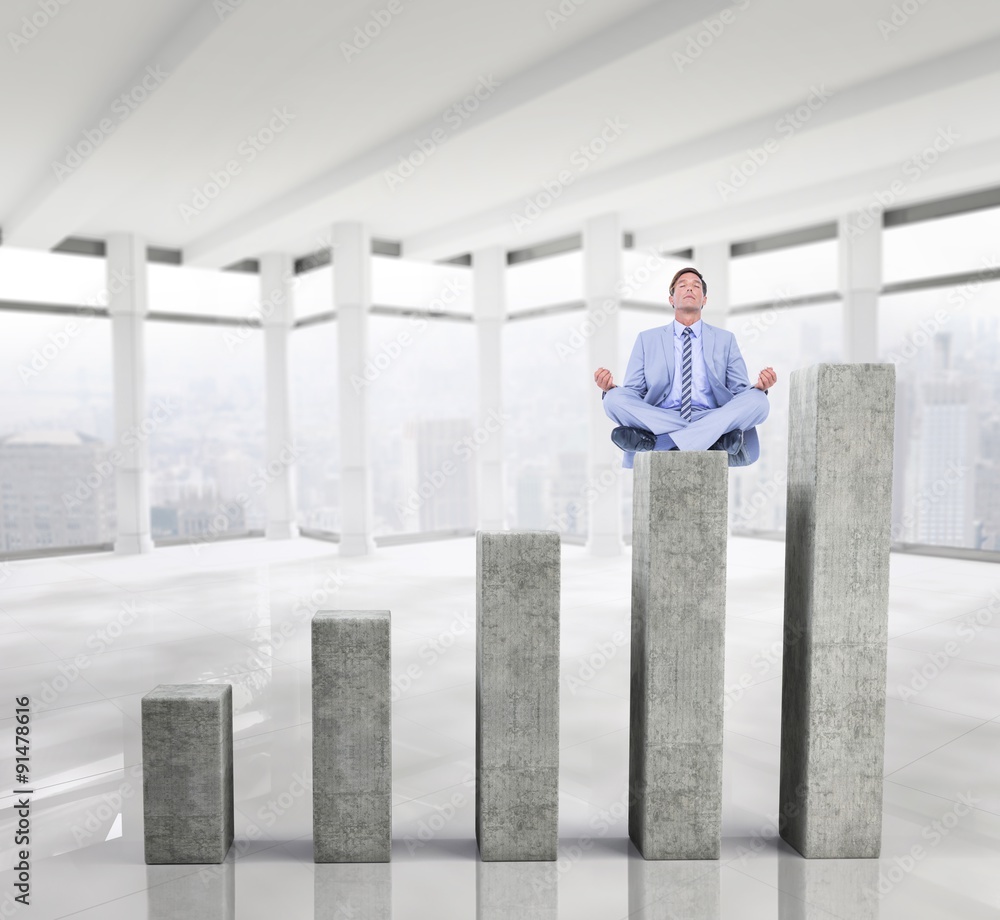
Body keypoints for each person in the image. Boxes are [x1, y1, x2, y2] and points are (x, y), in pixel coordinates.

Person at [594, 266, 776, 469]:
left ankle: (658, 443)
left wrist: (760, 387)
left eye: (696, 286)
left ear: (704, 300)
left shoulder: (726, 340)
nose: (689, 288)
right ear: (671, 299)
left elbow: (740, 393)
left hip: (711, 415)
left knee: (759, 401)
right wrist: (609, 388)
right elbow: (633, 392)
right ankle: (713, 442)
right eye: (682, 285)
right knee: (613, 400)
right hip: (662, 416)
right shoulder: (647, 339)